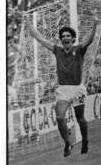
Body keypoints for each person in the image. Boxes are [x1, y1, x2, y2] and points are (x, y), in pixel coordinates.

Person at [26, 22, 97, 157]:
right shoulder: (57, 50)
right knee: (59, 117)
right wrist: (28, 21)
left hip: (77, 89)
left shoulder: (79, 49)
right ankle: (68, 142)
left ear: (73, 39)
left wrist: (94, 25)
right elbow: (39, 38)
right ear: (61, 39)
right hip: (63, 90)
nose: (65, 38)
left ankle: (85, 140)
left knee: (80, 119)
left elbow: (89, 40)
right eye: (63, 36)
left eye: (68, 36)